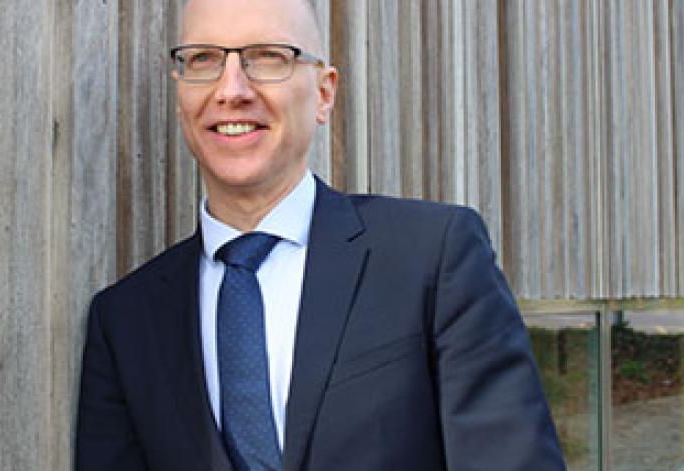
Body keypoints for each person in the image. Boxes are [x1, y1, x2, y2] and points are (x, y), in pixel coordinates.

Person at [75, 0, 564, 469]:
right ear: (180, 95)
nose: (231, 89)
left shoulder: (432, 258)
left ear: (324, 94)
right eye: (203, 59)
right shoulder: (124, 321)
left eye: (267, 57)